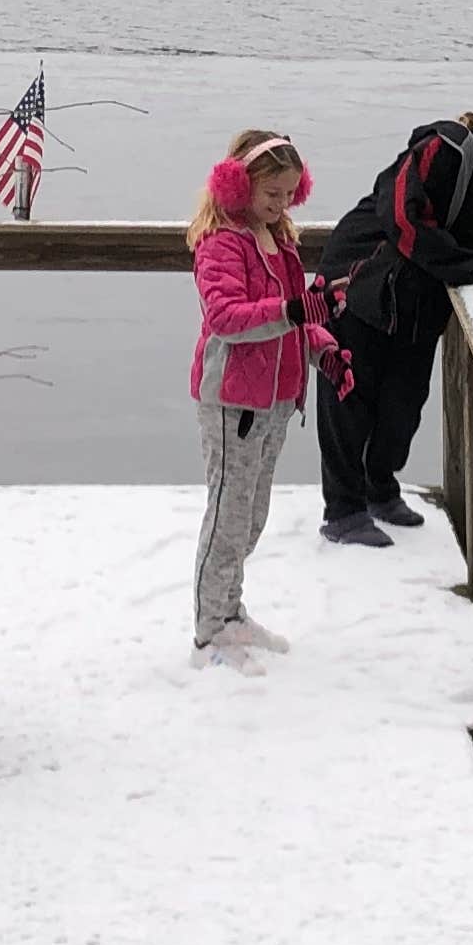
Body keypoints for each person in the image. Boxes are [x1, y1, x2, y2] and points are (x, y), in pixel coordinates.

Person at [312, 82, 473, 547]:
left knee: (404, 402)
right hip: (359, 279)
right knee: (348, 398)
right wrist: (467, 265)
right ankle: (343, 511)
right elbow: (401, 219)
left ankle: (379, 489)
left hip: (418, 299)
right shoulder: (445, 149)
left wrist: (467, 266)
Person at [184, 129, 337, 671]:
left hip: (276, 402)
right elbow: (226, 318)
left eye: (290, 194)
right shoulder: (222, 243)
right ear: (236, 185)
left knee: (251, 518)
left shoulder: (280, 239)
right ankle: (209, 631)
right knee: (228, 518)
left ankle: (231, 611)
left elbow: (296, 318)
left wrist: (325, 350)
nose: (282, 204)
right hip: (234, 402)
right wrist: (295, 312)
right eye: (272, 193)